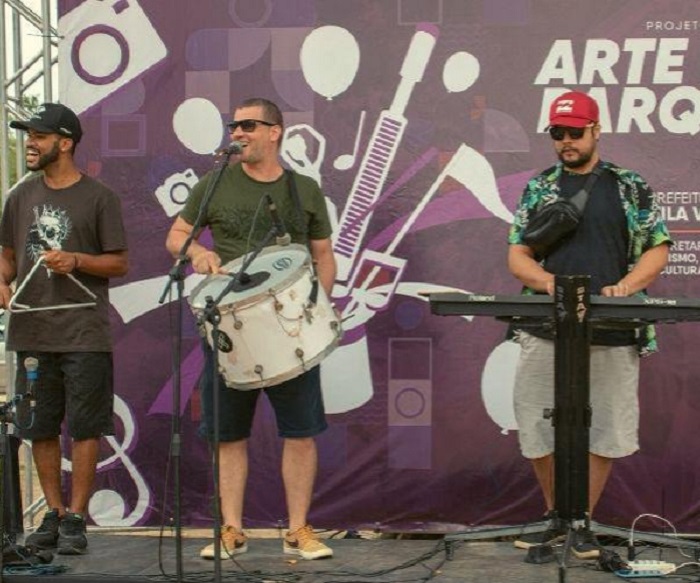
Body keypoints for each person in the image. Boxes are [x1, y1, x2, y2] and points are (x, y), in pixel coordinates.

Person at [165, 97, 336, 560]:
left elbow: (323, 255)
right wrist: (198, 253)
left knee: (300, 432)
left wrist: (314, 308)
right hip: (229, 327)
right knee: (227, 433)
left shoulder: (303, 189)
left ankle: (298, 529)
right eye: (233, 126)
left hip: (291, 329)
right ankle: (231, 529)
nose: (237, 133)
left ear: (275, 131)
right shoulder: (215, 183)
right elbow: (176, 235)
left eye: (248, 125)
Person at [507, 91, 671, 558]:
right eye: (558, 133)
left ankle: (582, 522)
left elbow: (657, 247)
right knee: (535, 425)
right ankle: (558, 517)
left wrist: (627, 286)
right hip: (546, 326)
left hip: (613, 325)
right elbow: (518, 254)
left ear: (596, 130)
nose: (566, 141)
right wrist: (548, 284)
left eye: (575, 132)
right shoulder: (539, 187)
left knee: (606, 429)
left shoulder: (629, 186)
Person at [0, 103, 129, 554]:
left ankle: (76, 517)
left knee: (86, 426)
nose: (30, 143)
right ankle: (53, 514)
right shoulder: (19, 197)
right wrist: (2, 280)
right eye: (28, 135)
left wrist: (76, 260)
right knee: (39, 426)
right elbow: (8, 256)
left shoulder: (99, 197)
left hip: (83, 332)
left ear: (66, 142)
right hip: (32, 331)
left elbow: (119, 263)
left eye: (38, 136)